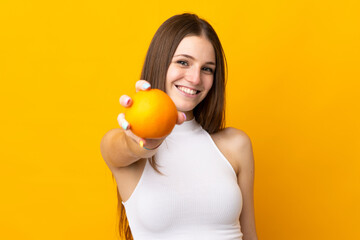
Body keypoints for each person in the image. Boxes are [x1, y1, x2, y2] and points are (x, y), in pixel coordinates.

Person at [100, 13, 258, 240]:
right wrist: (145, 142)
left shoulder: (236, 145)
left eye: (207, 69)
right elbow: (128, 148)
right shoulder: (118, 142)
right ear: (160, 62)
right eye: (183, 62)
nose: (195, 78)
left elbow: (250, 235)